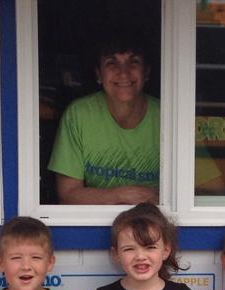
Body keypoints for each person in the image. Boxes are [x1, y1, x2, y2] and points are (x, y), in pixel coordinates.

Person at [48, 32, 159, 205]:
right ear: (98, 74)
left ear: (147, 72)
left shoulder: (167, 116)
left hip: (155, 223)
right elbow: (68, 194)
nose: (123, 73)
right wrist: (122, 195)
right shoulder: (79, 115)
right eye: (112, 63)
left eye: (134, 61)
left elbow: (207, 186)